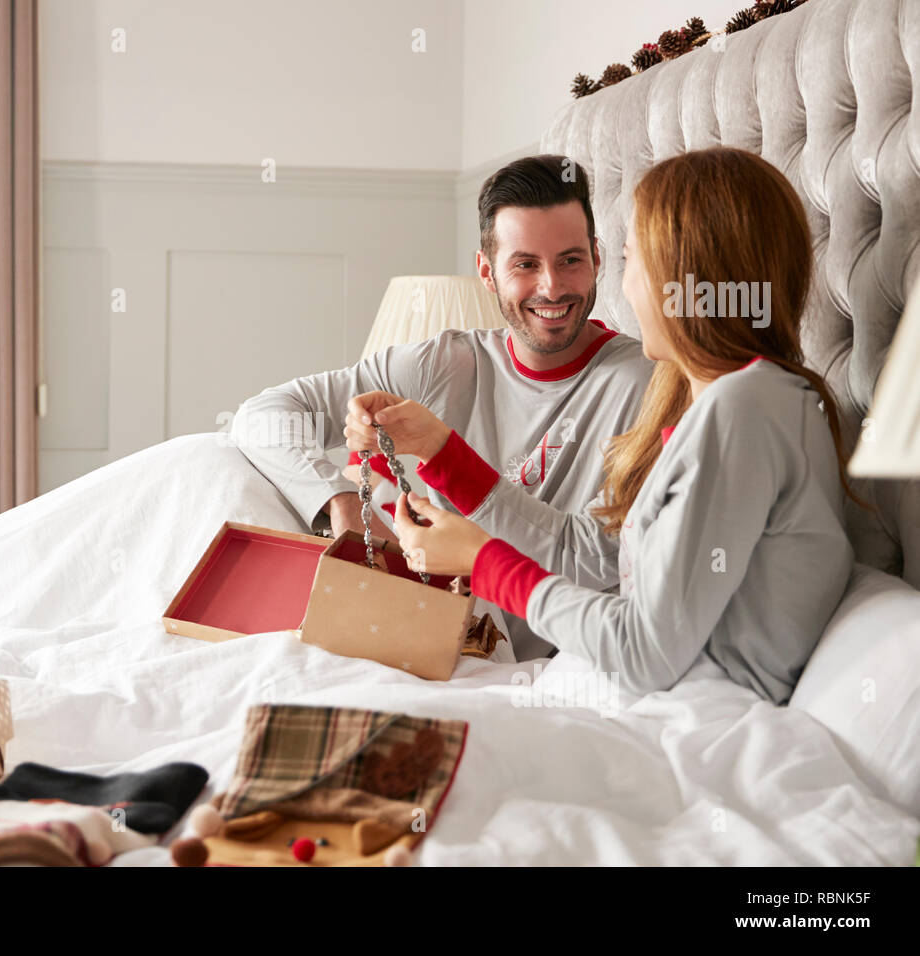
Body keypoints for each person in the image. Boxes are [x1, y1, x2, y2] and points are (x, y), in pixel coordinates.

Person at [351, 147, 857, 705]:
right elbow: (593, 552)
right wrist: (443, 457)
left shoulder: (745, 411)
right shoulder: (742, 397)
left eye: (630, 259)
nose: (627, 290)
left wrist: (483, 563)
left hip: (694, 721)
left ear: (683, 279)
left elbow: (644, 651)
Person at [231, 155, 654, 659]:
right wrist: (341, 503)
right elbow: (263, 415)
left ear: (598, 258)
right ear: (486, 272)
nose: (552, 287)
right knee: (207, 463)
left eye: (570, 259)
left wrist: (443, 453)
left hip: (538, 666)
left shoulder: (644, 385)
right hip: (417, 638)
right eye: (525, 264)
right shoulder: (445, 364)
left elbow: (594, 562)